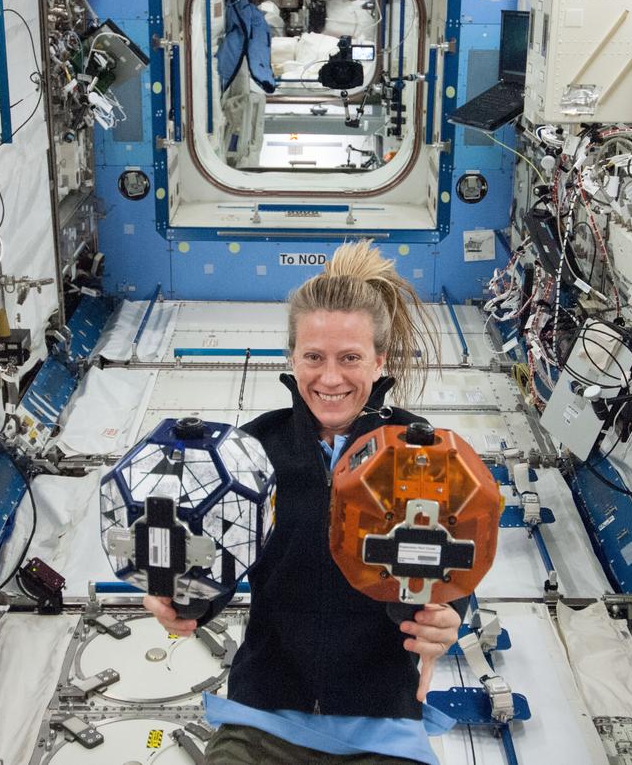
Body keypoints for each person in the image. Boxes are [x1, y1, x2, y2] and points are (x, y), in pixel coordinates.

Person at [145, 241, 466, 765]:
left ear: (379, 360)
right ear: (292, 357)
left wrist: (449, 618)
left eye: (351, 358)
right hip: (264, 720)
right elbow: (214, 571)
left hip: (381, 726)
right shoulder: (249, 452)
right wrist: (183, 602)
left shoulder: (425, 452)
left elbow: (452, 573)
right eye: (313, 357)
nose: (331, 378)